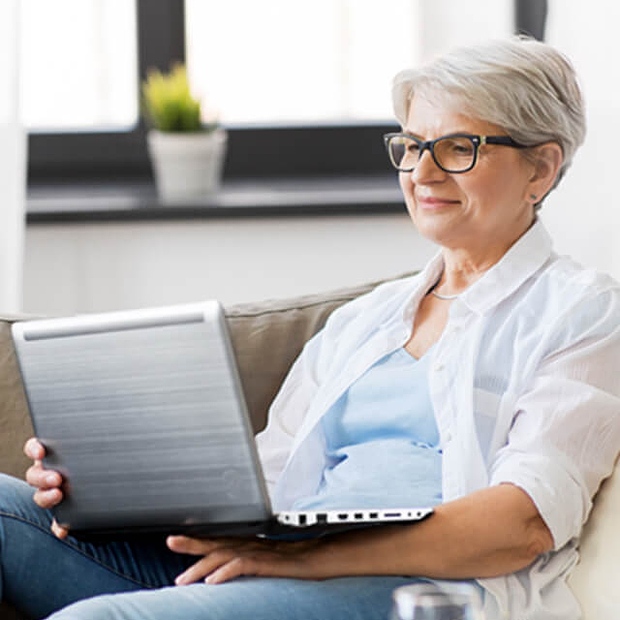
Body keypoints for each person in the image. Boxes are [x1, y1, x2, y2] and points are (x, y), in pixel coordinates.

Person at [1, 36, 619, 620]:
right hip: (279, 567)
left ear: (541, 170)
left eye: (459, 148)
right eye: (411, 145)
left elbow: (522, 525)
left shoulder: (582, 314)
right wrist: (107, 493)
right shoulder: (363, 320)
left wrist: (303, 562)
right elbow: (267, 485)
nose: (422, 175)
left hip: (422, 590)